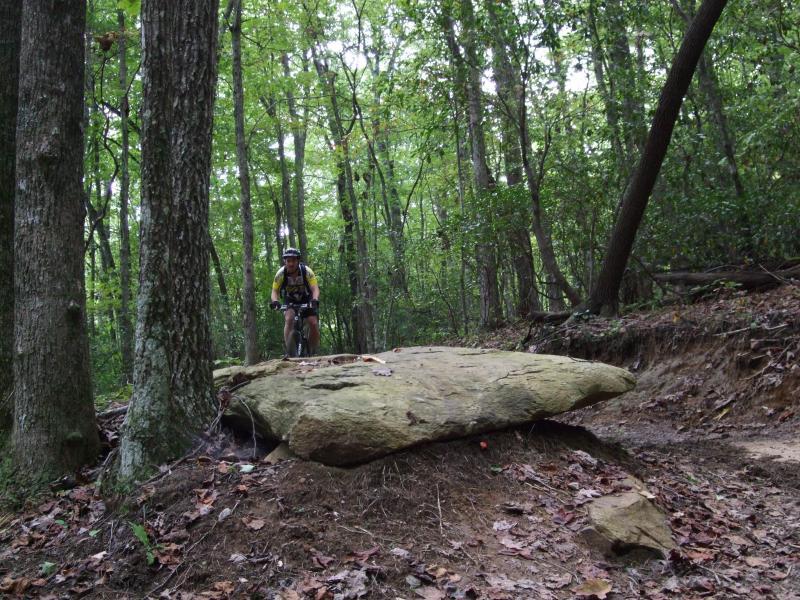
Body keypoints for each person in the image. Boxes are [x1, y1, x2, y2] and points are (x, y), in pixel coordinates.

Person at [270, 248, 320, 355]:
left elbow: (315, 288)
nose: (291, 263)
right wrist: (275, 301)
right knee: (289, 319)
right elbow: (274, 291)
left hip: (306, 298)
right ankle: (290, 350)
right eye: (288, 261)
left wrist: (315, 300)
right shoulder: (280, 274)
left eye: (293, 260)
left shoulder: (307, 271)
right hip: (290, 300)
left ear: (298, 261)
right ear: (285, 262)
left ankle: (312, 350)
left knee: (313, 323)